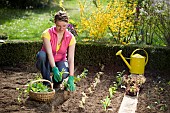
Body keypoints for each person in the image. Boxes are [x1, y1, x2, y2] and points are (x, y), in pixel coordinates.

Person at [36, 10, 76, 91]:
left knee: (64, 73)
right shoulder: (47, 33)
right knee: (41, 55)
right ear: (55, 23)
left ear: (68, 24)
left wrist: (71, 77)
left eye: (64, 26)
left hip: (60, 61)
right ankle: (47, 82)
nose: (61, 29)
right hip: (46, 62)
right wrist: (54, 68)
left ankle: (56, 81)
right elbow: (49, 53)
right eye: (58, 26)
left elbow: (71, 59)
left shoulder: (71, 37)